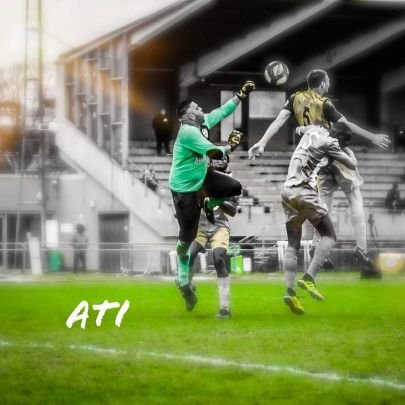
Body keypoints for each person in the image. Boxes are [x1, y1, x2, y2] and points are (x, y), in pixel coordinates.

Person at [248, 69, 390, 278]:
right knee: (355, 197)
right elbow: (345, 124)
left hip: (316, 159)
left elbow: (278, 121)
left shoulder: (294, 98)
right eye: (328, 81)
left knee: (324, 205)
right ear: (323, 83)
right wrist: (371, 136)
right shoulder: (324, 102)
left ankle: (317, 245)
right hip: (333, 149)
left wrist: (261, 143)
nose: (329, 84)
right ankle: (361, 249)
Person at [169, 80, 255, 311]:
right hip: (185, 190)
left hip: (202, 181)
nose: (200, 110)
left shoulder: (203, 122)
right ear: (186, 116)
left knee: (234, 186)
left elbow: (223, 110)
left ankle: (210, 203)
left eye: (199, 107)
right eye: (196, 108)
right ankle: (183, 280)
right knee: (185, 243)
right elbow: (214, 151)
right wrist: (231, 146)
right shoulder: (187, 132)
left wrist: (240, 94)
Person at [280, 123, 358, 315]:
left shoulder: (313, 129)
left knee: (293, 244)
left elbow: (297, 129)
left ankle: (290, 292)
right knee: (329, 235)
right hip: (304, 190)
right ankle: (309, 278)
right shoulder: (332, 142)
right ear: (340, 138)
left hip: (287, 190)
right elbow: (352, 165)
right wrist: (346, 149)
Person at [188, 159, 238, 319]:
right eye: (216, 158)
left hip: (219, 227)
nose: (219, 161)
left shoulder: (230, 183)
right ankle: (188, 289)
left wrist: (218, 200)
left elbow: (233, 211)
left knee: (218, 260)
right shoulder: (200, 178)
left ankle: (225, 308)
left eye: (223, 158)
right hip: (201, 227)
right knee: (189, 256)